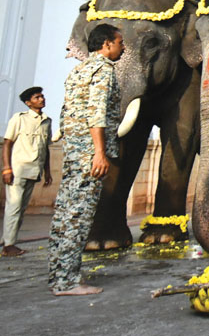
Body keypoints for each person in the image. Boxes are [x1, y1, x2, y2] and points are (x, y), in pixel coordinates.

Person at [48, 24, 123, 295]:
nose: (122, 47)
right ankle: (68, 282)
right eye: (119, 42)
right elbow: (97, 114)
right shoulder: (103, 71)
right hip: (89, 154)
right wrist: (99, 153)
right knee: (78, 217)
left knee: (64, 215)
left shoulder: (78, 69)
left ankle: (58, 275)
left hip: (73, 150)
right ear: (106, 45)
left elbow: (66, 111)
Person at [2, 87, 52, 256]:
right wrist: (6, 168)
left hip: (34, 170)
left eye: (42, 96)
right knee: (13, 207)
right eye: (37, 97)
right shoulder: (19, 119)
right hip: (18, 170)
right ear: (28, 102)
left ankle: (9, 239)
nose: (42, 99)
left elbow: (46, 149)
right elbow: (7, 143)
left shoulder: (47, 121)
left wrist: (48, 172)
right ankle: (8, 245)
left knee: (21, 208)